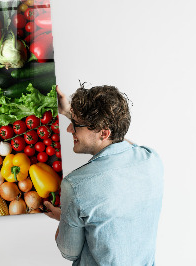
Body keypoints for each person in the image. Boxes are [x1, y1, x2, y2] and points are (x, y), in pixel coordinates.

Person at [44, 84, 164, 266]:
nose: (69, 129)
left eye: (76, 124)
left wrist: (67, 220)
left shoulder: (75, 185)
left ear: (104, 132)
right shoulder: (151, 159)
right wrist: (69, 112)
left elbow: (69, 252)